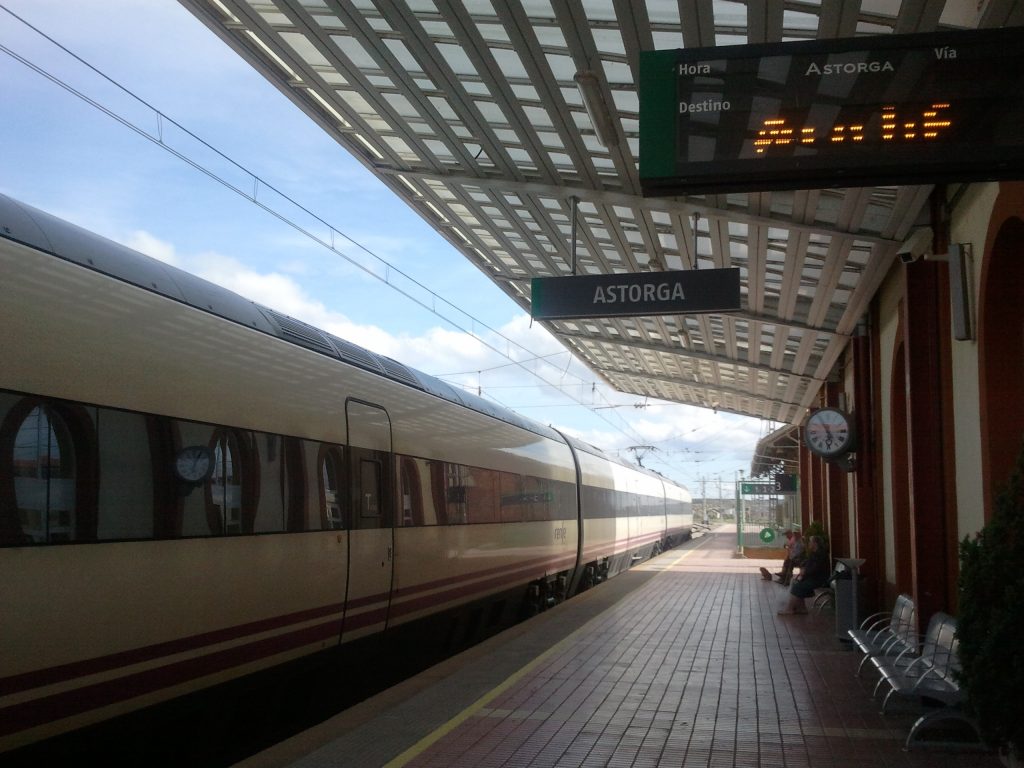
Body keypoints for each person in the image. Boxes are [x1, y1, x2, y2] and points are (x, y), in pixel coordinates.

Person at [778, 535, 829, 615]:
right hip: (814, 577)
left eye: (810, 542)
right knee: (797, 583)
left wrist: (805, 572)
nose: (808, 544)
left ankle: (789, 609)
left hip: (819, 579)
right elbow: (809, 564)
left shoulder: (820, 555)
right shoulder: (815, 553)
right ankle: (802, 608)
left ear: (815, 544)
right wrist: (803, 569)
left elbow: (816, 569)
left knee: (797, 586)